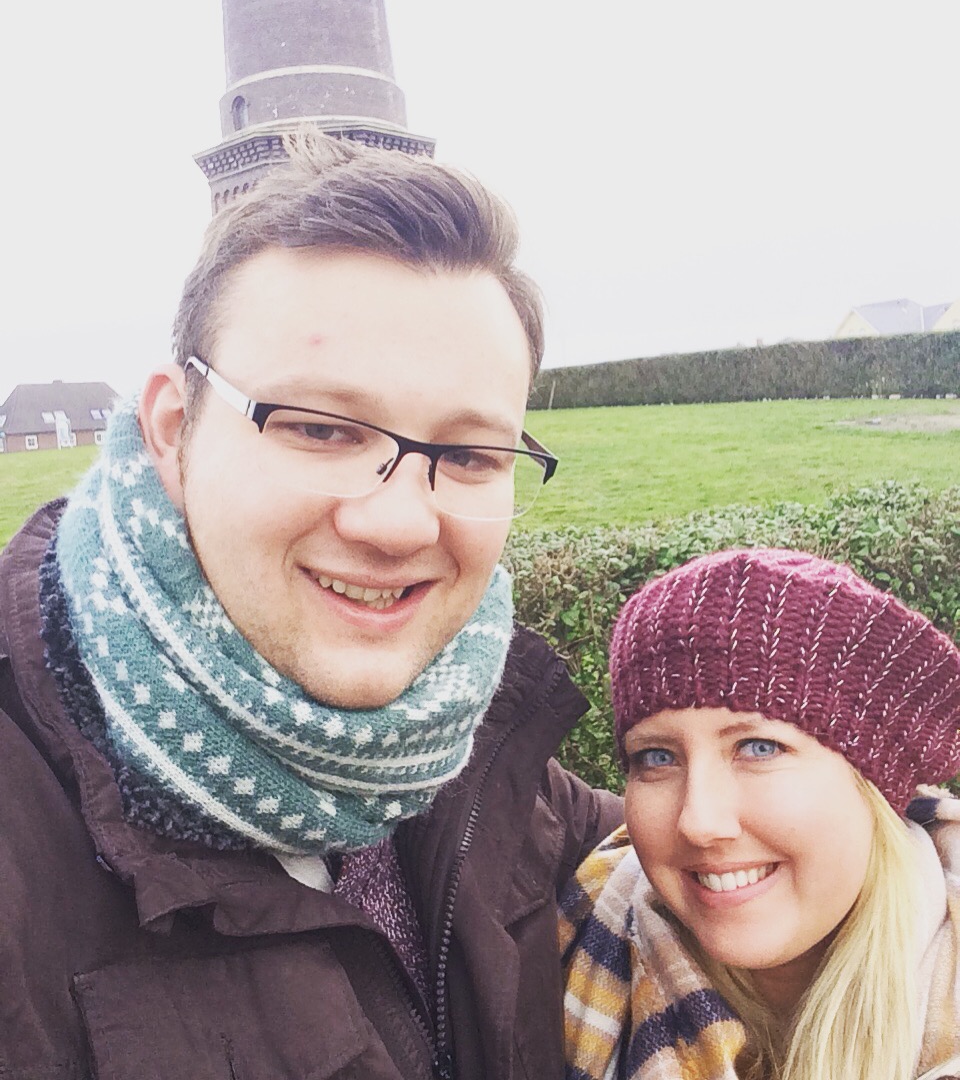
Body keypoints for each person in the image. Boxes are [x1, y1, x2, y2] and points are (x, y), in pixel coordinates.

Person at [0, 132, 621, 1080]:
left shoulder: (467, 725)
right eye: (323, 430)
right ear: (173, 430)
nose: (398, 522)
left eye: (468, 455)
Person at [561, 548, 960, 1080]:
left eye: (759, 748)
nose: (698, 822)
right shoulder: (565, 941)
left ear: (874, 788)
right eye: (656, 758)